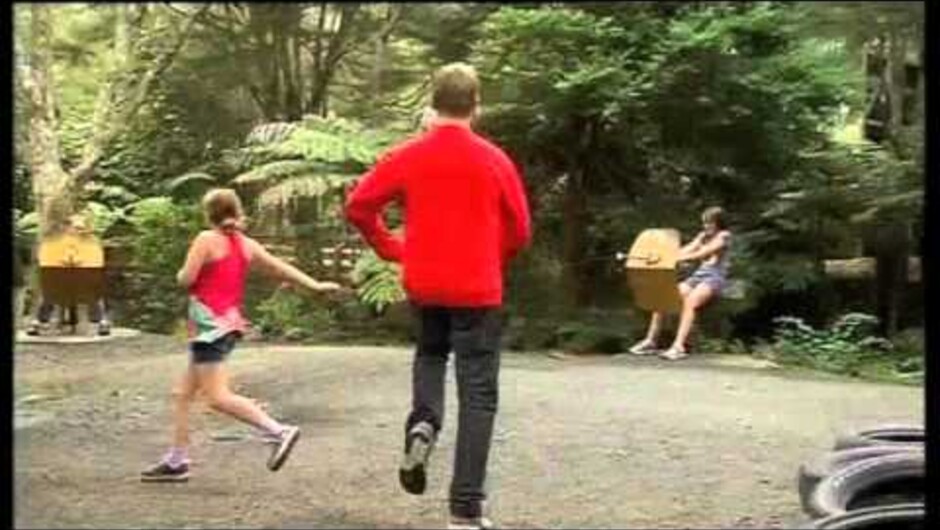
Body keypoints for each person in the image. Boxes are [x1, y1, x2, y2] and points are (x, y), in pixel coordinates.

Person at [345, 63, 531, 530]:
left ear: (433, 103)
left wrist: (393, 248)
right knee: (478, 395)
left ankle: (424, 423)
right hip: (477, 289)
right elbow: (521, 231)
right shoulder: (494, 159)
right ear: (476, 106)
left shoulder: (410, 155)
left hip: (425, 284)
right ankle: (465, 510)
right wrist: (492, 257)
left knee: (430, 356)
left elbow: (359, 205)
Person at [141, 188, 341, 482]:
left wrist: (182, 273)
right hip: (226, 326)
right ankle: (177, 460)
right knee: (183, 394)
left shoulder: (206, 240)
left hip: (211, 328)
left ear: (208, 214)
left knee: (217, 397)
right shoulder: (245, 244)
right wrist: (315, 285)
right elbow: (279, 267)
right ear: (236, 211)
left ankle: (278, 430)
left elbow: (186, 279)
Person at [629, 206, 732, 361]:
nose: (706, 226)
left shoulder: (724, 235)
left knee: (690, 302)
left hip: (714, 277)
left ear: (719, 223)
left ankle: (678, 346)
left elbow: (703, 253)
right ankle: (650, 341)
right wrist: (666, 256)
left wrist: (678, 259)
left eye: (710, 223)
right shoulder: (703, 235)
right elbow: (688, 249)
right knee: (664, 297)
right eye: (705, 223)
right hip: (698, 276)